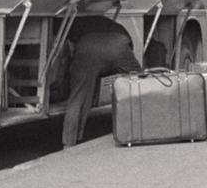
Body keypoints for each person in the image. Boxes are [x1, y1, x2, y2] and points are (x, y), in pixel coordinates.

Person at [51, 16, 142, 148]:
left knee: (78, 97)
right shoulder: (107, 22)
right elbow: (129, 45)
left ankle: (69, 143)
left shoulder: (71, 21)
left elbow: (63, 44)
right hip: (119, 45)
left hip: (87, 48)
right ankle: (145, 127)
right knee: (139, 83)